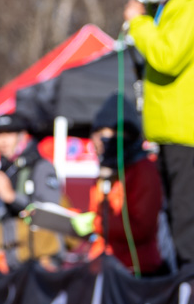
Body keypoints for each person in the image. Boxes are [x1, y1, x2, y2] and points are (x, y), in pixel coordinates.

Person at [124, 0, 194, 268]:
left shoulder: (189, 7)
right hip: (168, 136)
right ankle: (181, 288)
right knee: (174, 220)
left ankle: (188, 297)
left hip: (187, 137)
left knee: (186, 221)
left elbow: (167, 58)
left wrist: (138, 24)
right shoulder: (162, 11)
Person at [67, 94, 167, 276]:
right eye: (97, 134)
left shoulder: (143, 170)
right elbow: (98, 214)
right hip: (104, 267)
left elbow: (141, 228)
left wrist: (96, 223)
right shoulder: (106, 170)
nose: (98, 141)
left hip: (135, 271)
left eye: (106, 135)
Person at [0, 112, 62, 268]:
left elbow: (50, 213)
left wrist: (12, 197)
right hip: (11, 263)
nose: (2, 140)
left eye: (9, 133)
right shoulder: (4, 170)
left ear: (22, 136)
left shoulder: (41, 167)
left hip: (39, 262)